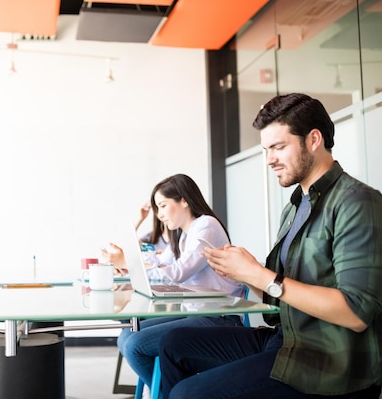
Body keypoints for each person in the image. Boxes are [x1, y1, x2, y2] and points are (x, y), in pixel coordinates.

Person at [159, 93, 382, 399]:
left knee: (188, 393)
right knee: (173, 343)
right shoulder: (294, 206)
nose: (269, 160)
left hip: (327, 362)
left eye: (278, 147)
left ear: (314, 139)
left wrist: (261, 276)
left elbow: (356, 313)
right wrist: (244, 273)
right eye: (266, 150)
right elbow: (278, 298)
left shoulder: (357, 202)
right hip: (286, 339)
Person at [101, 174, 246, 392]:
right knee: (127, 336)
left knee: (134, 345)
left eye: (162, 206)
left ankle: (168, 393)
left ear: (184, 200)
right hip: (197, 311)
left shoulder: (206, 225)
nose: (159, 215)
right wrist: (129, 262)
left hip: (219, 317)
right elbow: (160, 262)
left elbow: (177, 273)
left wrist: (130, 265)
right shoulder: (185, 234)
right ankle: (170, 391)